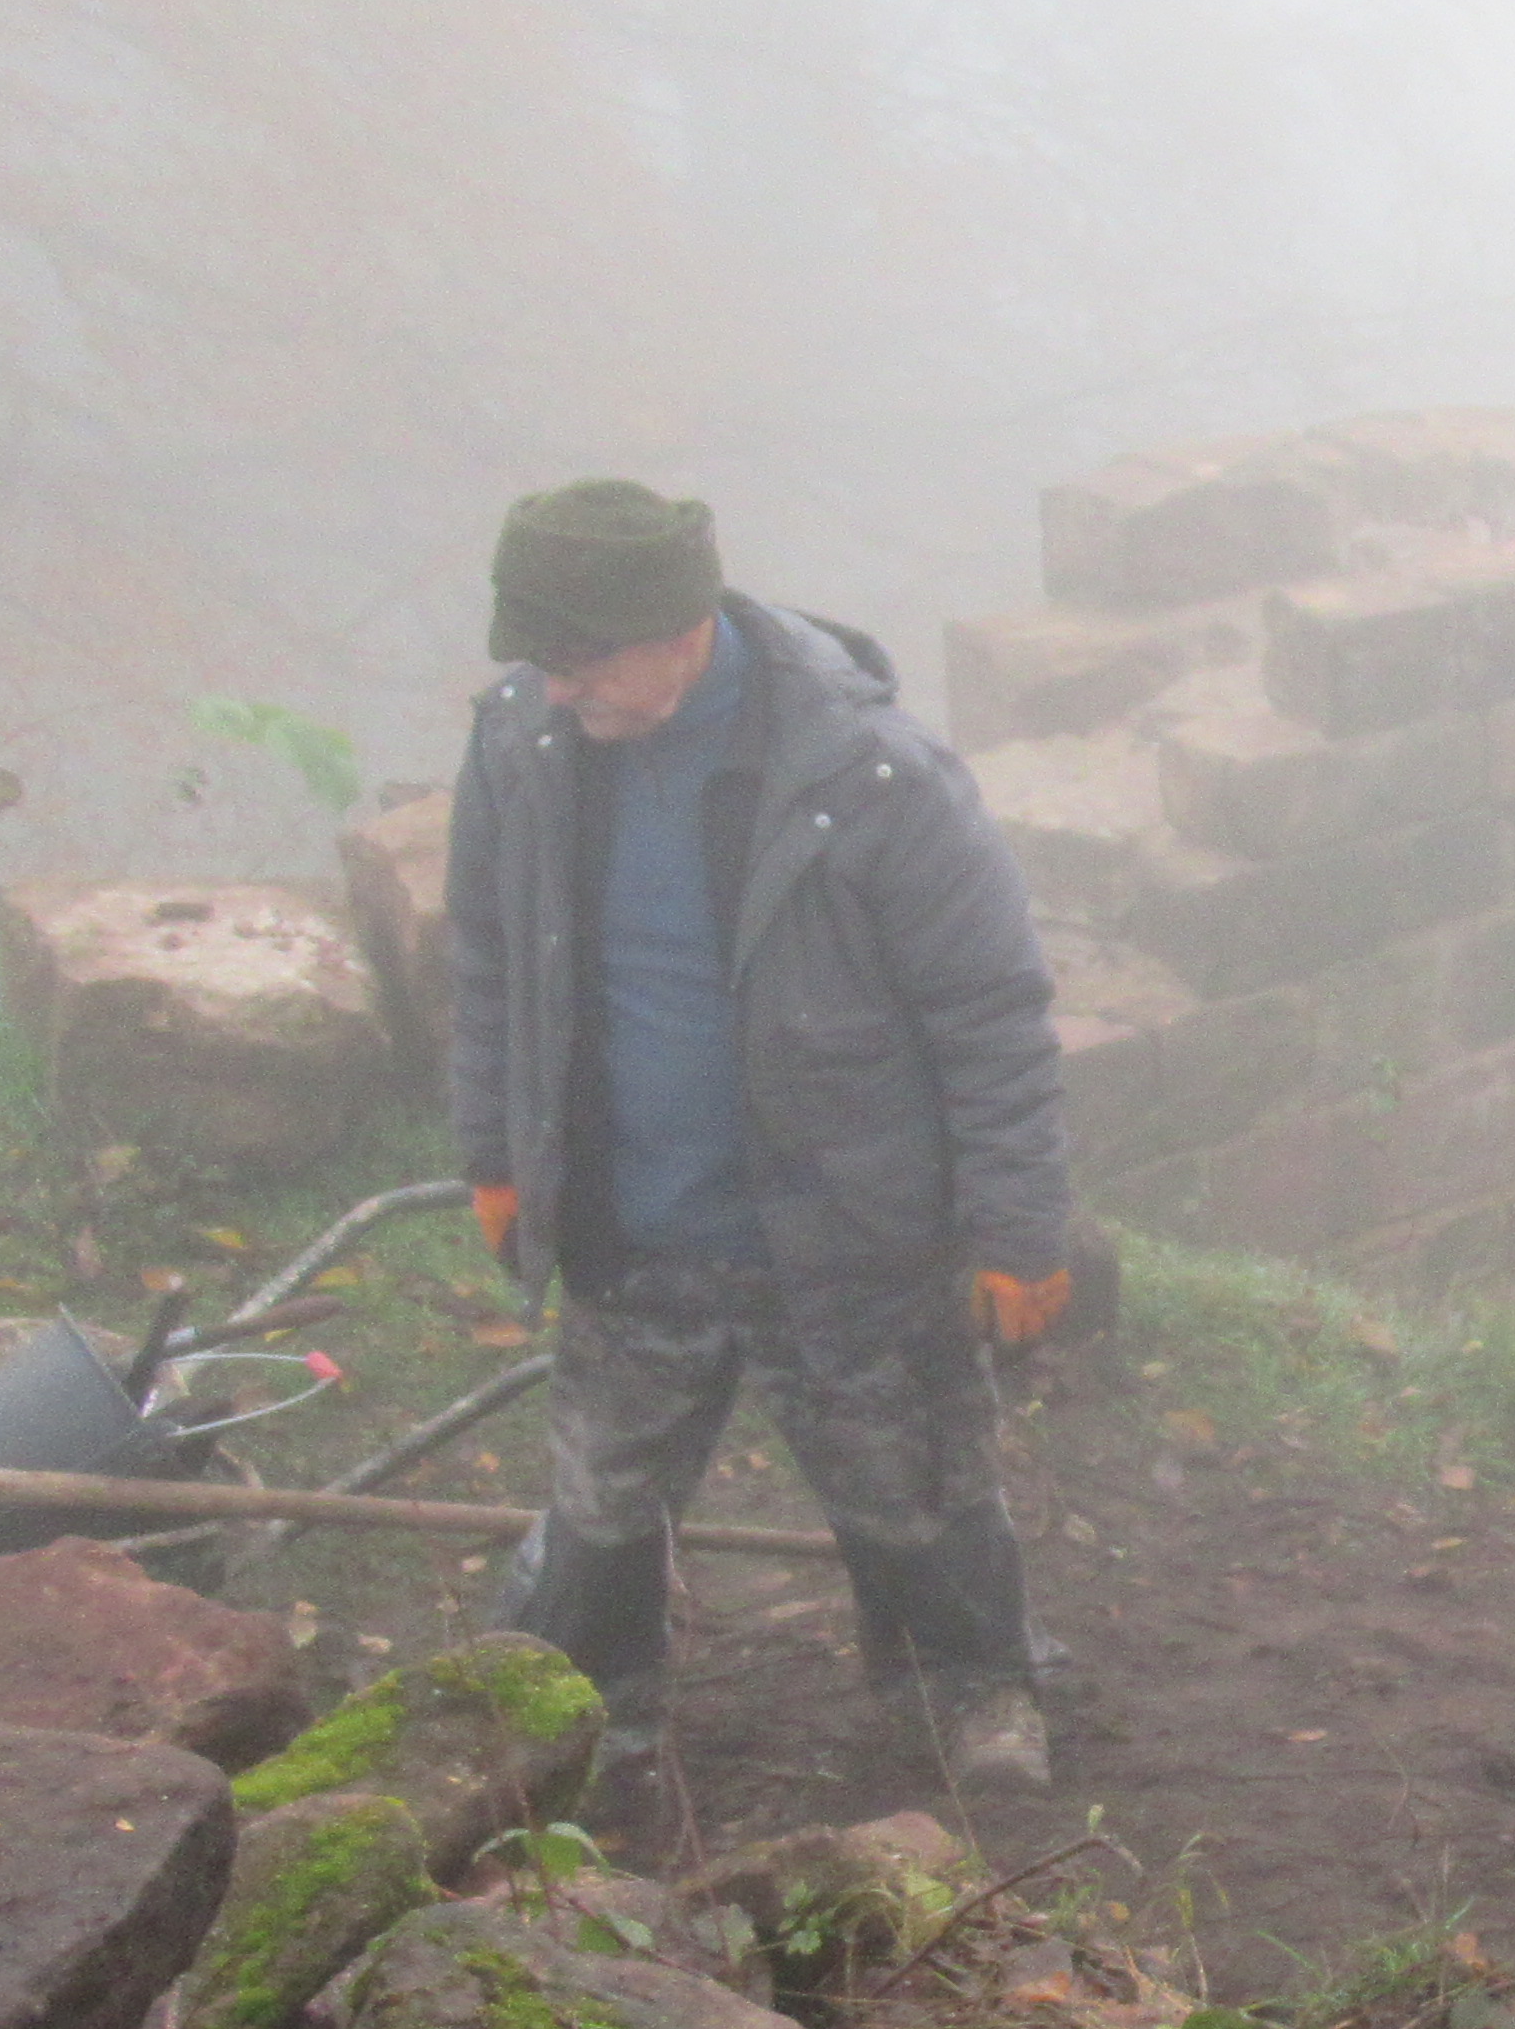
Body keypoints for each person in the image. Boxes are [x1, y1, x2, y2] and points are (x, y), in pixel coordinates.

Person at [443, 476, 1075, 1797]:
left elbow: (990, 1012)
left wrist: (1019, 1227)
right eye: (540, 663)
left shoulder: (872, 776)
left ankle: (970, 1692)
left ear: (681, 630)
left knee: (912, 1489)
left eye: (582, 661)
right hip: (630, 1220)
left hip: (846, 1231)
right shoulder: (522, 746)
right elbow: (490, 961)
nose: (557, 690)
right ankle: (593, 1719)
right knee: (603, 1509)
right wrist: (496, 1153)